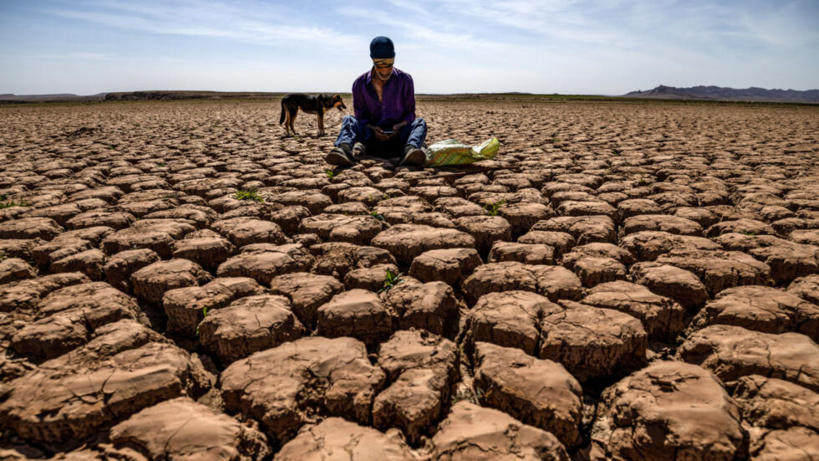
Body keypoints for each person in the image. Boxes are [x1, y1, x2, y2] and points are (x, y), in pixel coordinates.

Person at [326, 36, 427, 167]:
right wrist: (373, 129)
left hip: (398, 137)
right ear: (373, 60)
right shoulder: (359, 84)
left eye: (389, 65)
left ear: (394, 59)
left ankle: (410, 151)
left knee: (420, 123)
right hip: (372, 137)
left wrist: (399, 126)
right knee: (349, 120)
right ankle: (344, 150)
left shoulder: (405, 80)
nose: (384, 71)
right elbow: (361, 117)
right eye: (379, 66)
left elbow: (410, 114)